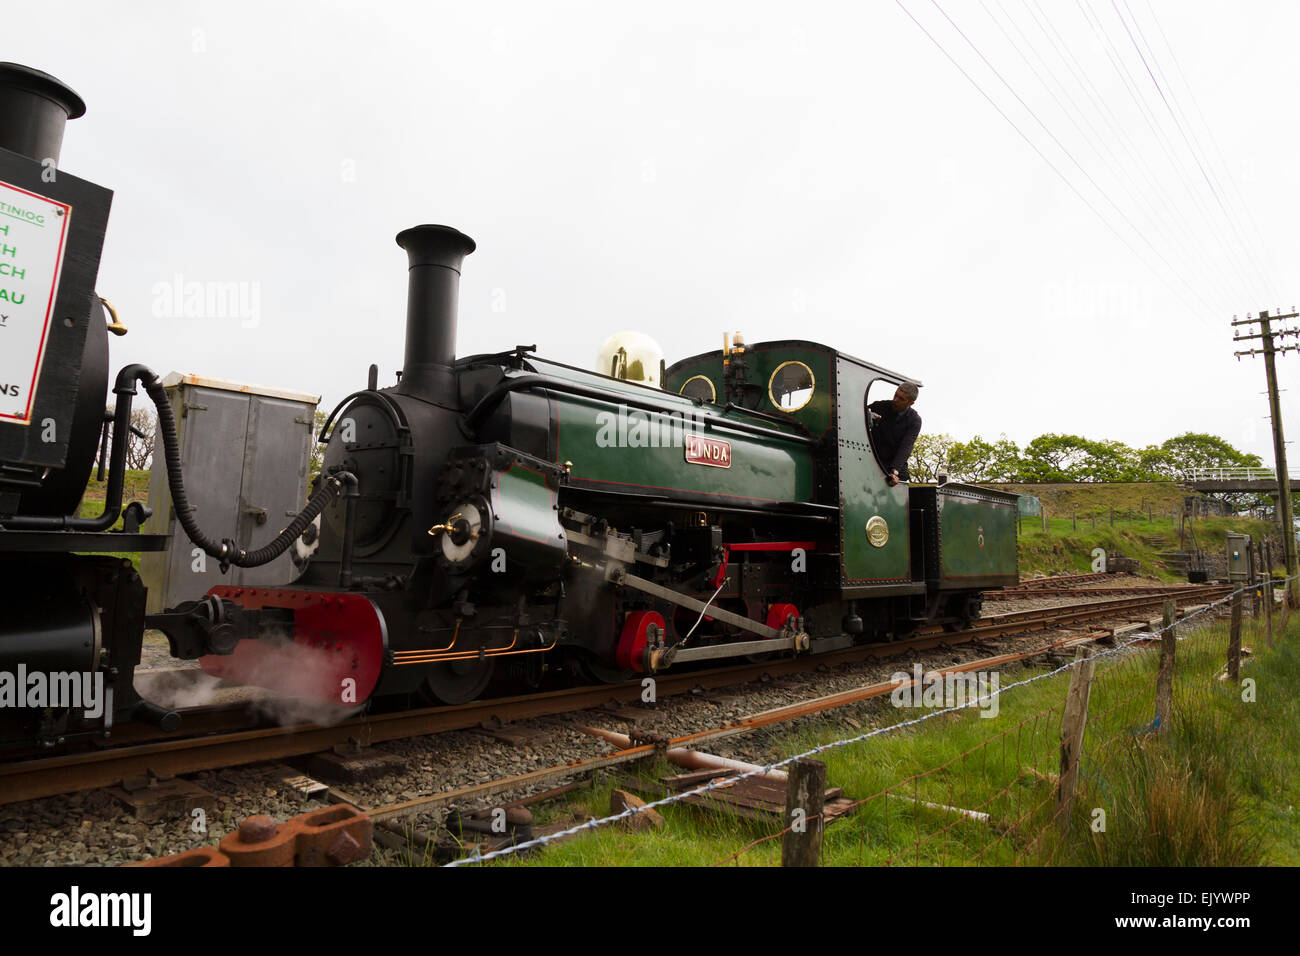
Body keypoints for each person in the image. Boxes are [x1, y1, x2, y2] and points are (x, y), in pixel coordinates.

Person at [867, 382, 921, 486]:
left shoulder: (915, 420)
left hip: (895, 464)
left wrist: (895, 471)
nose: (895, 400)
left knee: (903, 483)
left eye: (901, 399)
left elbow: (906, 446)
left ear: (911, 403)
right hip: (873, 459)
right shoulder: (879, 406)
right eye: (896, 395)